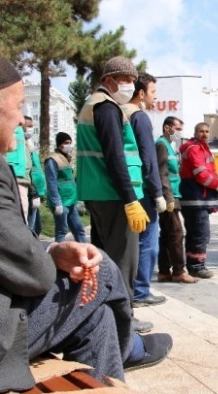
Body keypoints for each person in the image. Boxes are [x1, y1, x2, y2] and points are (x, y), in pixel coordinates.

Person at [0, 49, 172, 394]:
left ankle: (119, 357)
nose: (20, 120)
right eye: (17, 108)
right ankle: (129, 345)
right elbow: (34, 275)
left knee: (98, 316)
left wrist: (54, 249)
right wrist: (50, 258)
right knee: (101, 272)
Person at [75, 56, 154, 332]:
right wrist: (131, 200)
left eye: (133, 80)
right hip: (115, 196)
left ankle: (104, 318)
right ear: (108, 80)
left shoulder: (94, 105)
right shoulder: (107, 107)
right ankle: (123, 322)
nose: (130, 86)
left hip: (99, 193)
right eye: (125, 80)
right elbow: (115, 157)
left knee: (104, 259)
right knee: (123, 261)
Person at [121, 72, 167, 307]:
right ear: (141, 93)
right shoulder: (139, 116)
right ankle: (140, 291)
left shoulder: (117, 112)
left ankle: (130, 291)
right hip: (141, 191)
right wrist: (157, 192)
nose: (155, 98)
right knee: (148, 242)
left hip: (123, 188)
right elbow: (148, 158)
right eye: (153, 92)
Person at [156, 116, 199, 284]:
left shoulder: (170, 146)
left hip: (174, 194)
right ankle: (179, 271)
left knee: (167, 234)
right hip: (169, 196)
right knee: (176, 232)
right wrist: (167, 197)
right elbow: (162, 173)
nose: (179, 132)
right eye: (178, 128)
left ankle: (164, 271)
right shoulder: (161, 145)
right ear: (167, 128)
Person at [179, 122, 218, 278]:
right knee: (200, 234)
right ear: (195, 132)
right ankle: (197, 266)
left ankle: (193, 265)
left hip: (196, 198)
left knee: (194, 233)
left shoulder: (201, 148)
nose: (204, 134)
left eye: (207, 131)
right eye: (201, 131)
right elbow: (201, 174)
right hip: (196, 198)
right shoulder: (195, 149)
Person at [46, 132, 87, 243]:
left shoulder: (65, 158)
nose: (69, 145)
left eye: (70, 143)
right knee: (61, 231)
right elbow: (51, 182)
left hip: (71, 200)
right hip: (61, 201)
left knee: (79, 229)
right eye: (66, 143)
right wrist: (56, 202)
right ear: (59, 145)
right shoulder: (52, 160)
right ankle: (59, 258)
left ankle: (85, 254)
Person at [5, 118, 31, 221]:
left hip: (22, 179)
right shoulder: (14, 132)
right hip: (16, 178)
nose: (30, 129)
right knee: (20, 215)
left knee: (23, 215)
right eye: (29, 126)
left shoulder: (24, 141)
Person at [25, 116, 46, 235]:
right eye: (28, 126)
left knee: (37, 228)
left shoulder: (30, 145)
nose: (31, 129)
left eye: (32, 126)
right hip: (30, 192)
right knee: (31, 228)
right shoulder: (22, 145)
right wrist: (33, 192)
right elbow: (26, 170)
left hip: (36, 192)